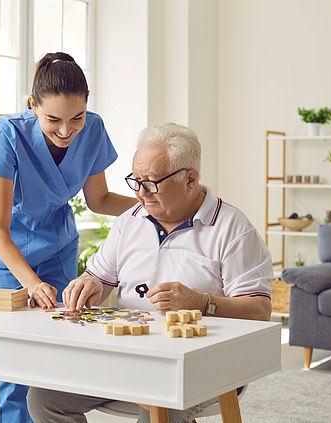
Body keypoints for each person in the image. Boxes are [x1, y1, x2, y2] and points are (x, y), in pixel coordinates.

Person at [26, 123, 273, 423]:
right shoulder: (129, 221)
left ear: (190, 179)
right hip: (127, 358)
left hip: (203, 365)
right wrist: (88, 284)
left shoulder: (233, 229)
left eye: (151, 183)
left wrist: (201, 303)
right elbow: (99, 279)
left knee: (160, 403)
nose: (140, 194)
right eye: (136, 181)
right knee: (44, 398)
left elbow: (259, 310)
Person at [0, 52, 137, 423]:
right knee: (16, 361)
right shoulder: (8, 133)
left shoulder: (92, 129)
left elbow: (100, 200)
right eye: (53, 120)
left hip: (58, 246)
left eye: (76, 118)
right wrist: (30, 283)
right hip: (5, 255)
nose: (66, 131)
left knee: (61, 349)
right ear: (32, 106)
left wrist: (154, 206)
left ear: (87, 103)